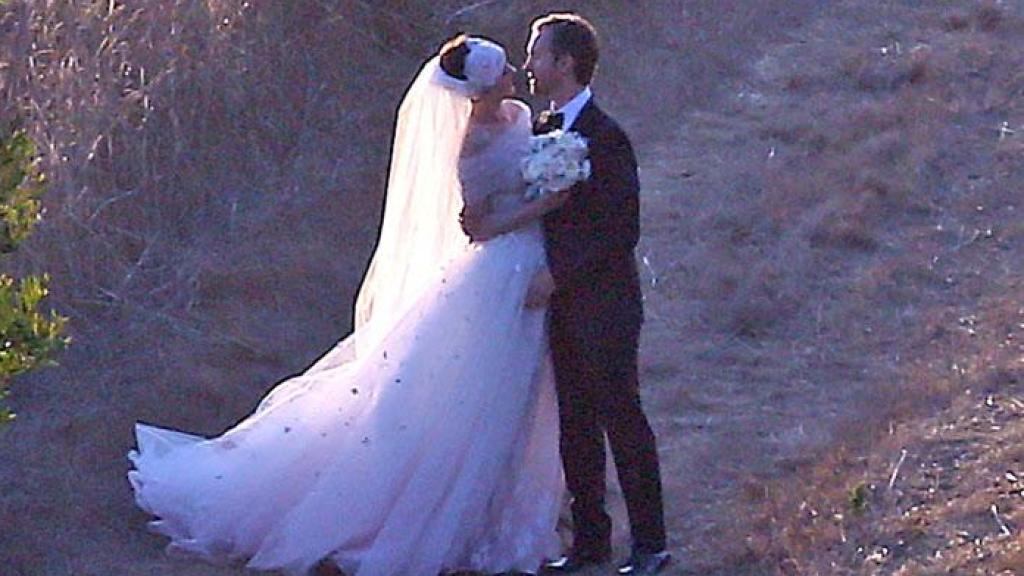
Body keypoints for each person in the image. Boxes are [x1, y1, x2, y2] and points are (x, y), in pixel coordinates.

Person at [128, 35, 568, 576]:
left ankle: (513, 508)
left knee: (521, 390)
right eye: (501, 72)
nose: (512, 75)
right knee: (481, 396)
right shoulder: (472, 143)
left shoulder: (520, 116)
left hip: (530, 264)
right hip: (500, 269)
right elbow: (477, 226)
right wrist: (543, 205)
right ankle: (456, 519)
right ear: (479, 88)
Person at [526, 13, 671, 576]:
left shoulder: (605, 137)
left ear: (564, 63)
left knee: (622, 419)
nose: (528, 64)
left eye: (537, 54)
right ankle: (590, 543)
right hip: (561, 311)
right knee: (575, 427)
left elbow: (620, 228)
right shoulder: (540, 130)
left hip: (605, 306)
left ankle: (650, 545)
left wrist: (559, 275)